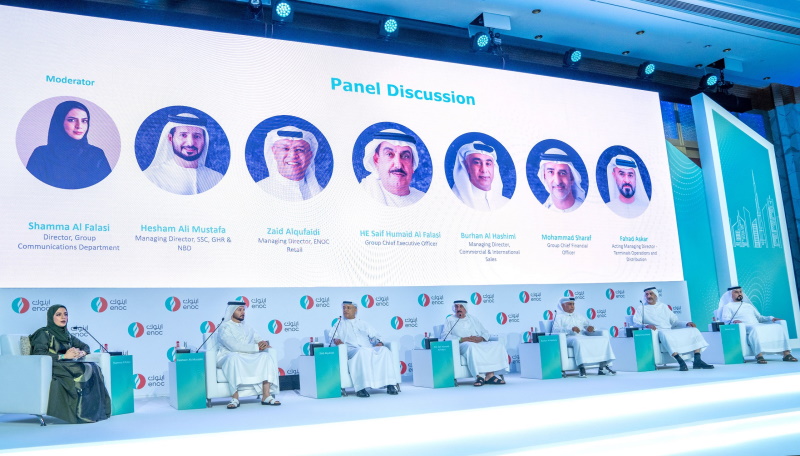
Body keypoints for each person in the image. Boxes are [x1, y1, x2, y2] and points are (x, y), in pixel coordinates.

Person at [28, 305, 111, 424]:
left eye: (65, 314)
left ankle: (94, 412)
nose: (63, 317)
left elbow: (85, 346)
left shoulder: (66, 335)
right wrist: (64, 356)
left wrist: (81, 352)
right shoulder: (43, 333)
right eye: (58, 314)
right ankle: (81, 414)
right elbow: (38, 354)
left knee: (94, 367)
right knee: (81, 369)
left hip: (66, 365)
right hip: (51, 366)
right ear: (51, 317)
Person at [26, 100, 112, 189]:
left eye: (84, 121)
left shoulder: (96, 154)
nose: (79, 126)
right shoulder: (41, 154)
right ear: (59, 122)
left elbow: (106, 190)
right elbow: (32, 189)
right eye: (72, 120)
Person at [216, 302, 280, 408]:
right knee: (234, 358)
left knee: (266, 357)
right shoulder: (224, 327)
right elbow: (233, 346)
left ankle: (266, 396)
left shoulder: (248, 327)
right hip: (229, 355)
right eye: (239, 310)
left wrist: (264, 344)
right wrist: (256, 347)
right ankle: (235, 398)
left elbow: (259, 340)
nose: (243, 312)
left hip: (247, 355)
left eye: (243, 310)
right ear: (232, 311)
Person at [634, 287, 714, 370]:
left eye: (651, 294)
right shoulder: (641, 308)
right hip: (658, 332)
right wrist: (647, 325)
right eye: (646, 294)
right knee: (664, 334)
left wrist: (686, 323)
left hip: (669, 331)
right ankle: (681, 362)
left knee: (693, 330)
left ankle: (697, 360)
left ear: (656, 295)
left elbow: (675, 322)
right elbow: (636, 323)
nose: (648, 296)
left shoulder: (663, 306)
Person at [331, 301, 399, 397]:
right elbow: (333, 337)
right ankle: (361, 388)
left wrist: (379, 343)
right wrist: (337, 340)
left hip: (368, 349)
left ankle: (390, 384)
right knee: (362, 351)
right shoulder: (339, 324)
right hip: (351, 351)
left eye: (348, 308)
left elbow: (376, 336)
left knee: (384, 350)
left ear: (355, 310)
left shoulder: (363, 324)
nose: (345, 310)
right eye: (344, 308)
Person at [143, 113, 223, 195]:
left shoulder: (217, 178)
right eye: (183, 135)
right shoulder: (151, 177)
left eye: (197, 136)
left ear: (204, 140)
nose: (190, 143)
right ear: (170, 139)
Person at [718, 286, 797, 363]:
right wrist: (734, 321)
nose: (739, 294)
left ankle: (786, 354)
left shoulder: (748, 305)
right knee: (755, 329)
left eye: (740, 292)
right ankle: (759, 355)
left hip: (756, 324)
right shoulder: (728, 306)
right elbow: (726, 320)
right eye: (736, 292)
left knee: (778, 327)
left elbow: (760, 318)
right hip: (744, 326)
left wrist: (771, 318)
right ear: (730, 295)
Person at [441, 300, 509, 386]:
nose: (458, 309)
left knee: (497, 345)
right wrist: (462, 339)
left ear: (465, 308)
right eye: (456, 306)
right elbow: (445, 336)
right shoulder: (450, 320)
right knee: (471, 346)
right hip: (461, 344)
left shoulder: (473, 319)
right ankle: (479, 376)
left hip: (477, 342)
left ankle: (490, 376)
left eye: (461, 306)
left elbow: (485, 332)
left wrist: (480, 338)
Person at [551, 297, 616, 378]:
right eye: (569, 304)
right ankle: (581, 367)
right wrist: (570, 329)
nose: (572, 306)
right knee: (578, 341)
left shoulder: (578, 315)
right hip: (568, 337)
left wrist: (590, 328)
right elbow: (555, 330)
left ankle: (603, 367)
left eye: (573, 304)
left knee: (603, 339)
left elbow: (587, 325)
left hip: (581, 336)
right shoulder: (558, 317)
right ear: (562, 306)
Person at [359, 129, 425, 207]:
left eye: (405, 156)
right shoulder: (362, 193)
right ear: (376, 160)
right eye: (389, 154)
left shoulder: (423, 199)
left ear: (412, 164)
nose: (398, 165)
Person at [257, 126, 323, 201]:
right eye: (285, 149)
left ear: (309, 155)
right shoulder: (258, 192)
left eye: (300, 150)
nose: (292, 155)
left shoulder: (320, 192)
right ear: (274, 152)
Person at [451, 141, 510, 211]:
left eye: (488, 163)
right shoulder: (454, 203)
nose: (484, 170)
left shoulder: (506, 203)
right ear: (466, 166)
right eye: (477, 163)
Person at [605, 154, 649, 218]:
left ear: (635, 177)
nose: (627, 180)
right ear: (614, 176)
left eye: (630, 175)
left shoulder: (646, 209)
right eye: (622, 174)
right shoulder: (607, 209)